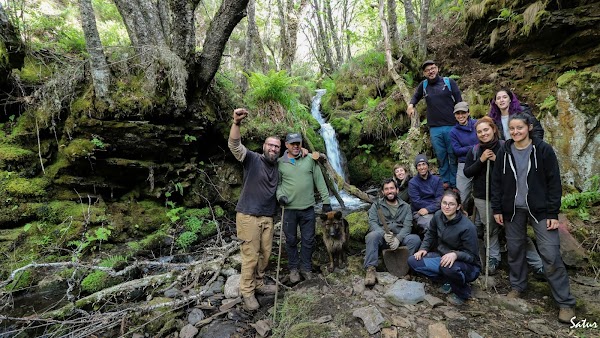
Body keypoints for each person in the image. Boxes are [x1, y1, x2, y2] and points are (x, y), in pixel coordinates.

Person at [491, 113, 576, 323]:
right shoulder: (505, 151)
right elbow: (496, 182)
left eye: (519, 127)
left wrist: (552, 212)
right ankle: (518, 286)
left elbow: (554, 182)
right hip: (512, 210)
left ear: (529, 127)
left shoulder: (543, 150)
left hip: (540, 210)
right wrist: (497, 209)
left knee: (550, 253)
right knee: (515, 249)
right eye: (512, 128)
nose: (515, 132)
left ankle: (565, 303)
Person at [228, 108, 280, 311]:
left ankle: (258, 283)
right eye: (270, 145)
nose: (273, 149)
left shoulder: (279, 166)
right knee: (250, 256)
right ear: (264, 146)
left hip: (268, 216)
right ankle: (247, 292)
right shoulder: (252, 159)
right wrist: (236, 123)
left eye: (277, 146)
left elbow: (296, 158)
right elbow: (234, 145)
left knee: (265, 254)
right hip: (248, 215)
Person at [408, 190, 481, 306]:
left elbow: (472, 256)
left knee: (447, 267)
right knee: (413, 261)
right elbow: (430, 233)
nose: (447, 207)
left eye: (451, 204)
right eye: (444, 203)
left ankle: (463, 292)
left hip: (468, 266)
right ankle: (448, 281)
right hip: (442, 256)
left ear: (458, 207)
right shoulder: (438, 216)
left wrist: (455, 254)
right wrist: (423, 248)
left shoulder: (467, 227)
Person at [277, 132, 331, 283]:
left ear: (301, 144)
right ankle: (294, 268)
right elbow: (278, 184)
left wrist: (326, 201)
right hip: (289, 209)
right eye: (292, 143)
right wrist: (280, 196)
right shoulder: (280, 163)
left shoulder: (309, 159)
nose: (295, 146)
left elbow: (319, 181)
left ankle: (306, 267)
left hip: (308, 208)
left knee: (308, 239)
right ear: (286, 145)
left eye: (298, 143)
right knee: (291, 240)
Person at [407, 60, 463, 190]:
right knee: (441, 155)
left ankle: (455, 182)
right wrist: (411, 105)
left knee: (452, 154)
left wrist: (461, 120)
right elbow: (415, 97)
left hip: (451, 125)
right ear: (424, 73)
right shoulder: (424, 85)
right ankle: (445, 180)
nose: (430, 71)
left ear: (437, 68)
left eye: (432, 68)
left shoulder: (448, 82)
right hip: (435, 128)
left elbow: (459, 100)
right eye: (427, 70)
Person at [463, 116, 503, 274]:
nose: (483, 134)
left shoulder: (504, 146)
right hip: (482, 195)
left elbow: (512, 170)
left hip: (503, 195)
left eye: (486, 130)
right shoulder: (474, 150)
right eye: (479, 132)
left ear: (493, 129)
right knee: (490, 227)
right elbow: (467, 172)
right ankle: (494, 256)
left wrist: (496, 160)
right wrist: (481, 160)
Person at [364, 178, 421, 286]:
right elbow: (372, 222)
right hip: (384, 239)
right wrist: (383, 234)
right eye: (386, 189)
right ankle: (371, 270)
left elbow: (408, 226)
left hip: (400, 238)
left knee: (415, 239)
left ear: (397, 190)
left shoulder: (406, 207)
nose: (389, 191)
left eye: (391, 188)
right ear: (382, 192)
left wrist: (398, 239)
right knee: (371, 236)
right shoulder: (376, 205)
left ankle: (405, 269)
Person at [449, 101, 478, 207]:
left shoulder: (477, 124)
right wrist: (474, 147)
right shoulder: (453, 132)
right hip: (464, 163)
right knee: (462, 195)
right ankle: (461, 216)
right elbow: (457, 150)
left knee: (481, 195)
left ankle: (479, 222)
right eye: (458, 113)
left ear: (468, 113)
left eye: (463, 113)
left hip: (480, 161)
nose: (460, 116)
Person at [408, 154, 444, 232]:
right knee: (431, 225)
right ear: (416, 168)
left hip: (437, 209)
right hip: (420, 211)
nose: (422, 167)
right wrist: (431, 207)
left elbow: (440, 199)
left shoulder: (437, 180)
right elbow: (416, 202)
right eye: (419, 165)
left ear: (428, 165)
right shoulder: (412, 183)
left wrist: (429, 209)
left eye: (424, 164)